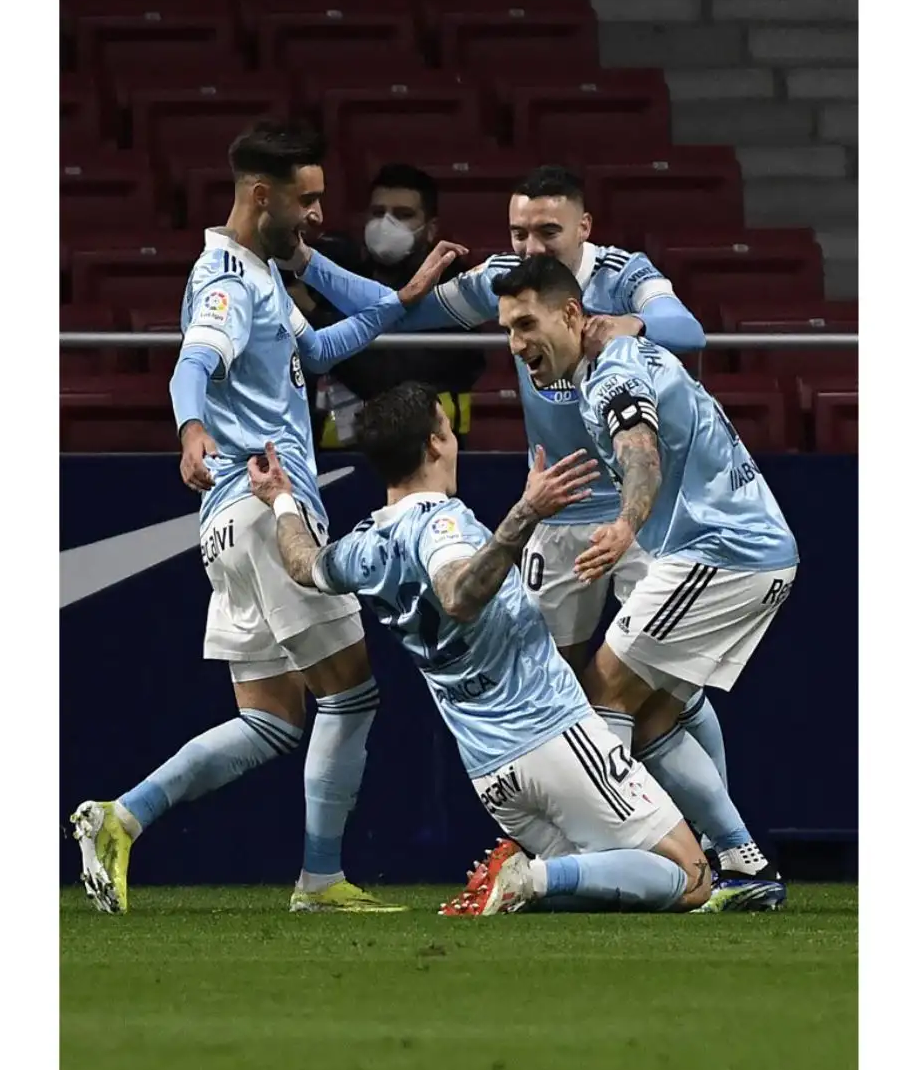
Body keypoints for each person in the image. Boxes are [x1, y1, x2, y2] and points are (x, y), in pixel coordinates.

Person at [283, 165, 740, 850]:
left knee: (669, 691)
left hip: (641, 515)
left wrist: (627, 324)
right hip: (555, 516)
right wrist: (304, 262)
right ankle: (596, 846)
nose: (530, 247)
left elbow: (688, 331)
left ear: (584, 228)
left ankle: (714, 843)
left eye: (547, 232)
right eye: (519, 231)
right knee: (547, 691)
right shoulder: (504, 277)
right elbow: (404, 306)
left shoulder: (623, 271)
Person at [67, 121, 454, 915]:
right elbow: (193, 363)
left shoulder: (263, 271)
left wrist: (388, 296)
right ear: (258, 195)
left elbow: (315, 352)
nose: (319, 213)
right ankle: (319, 881)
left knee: (273, 720)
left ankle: (121, 817)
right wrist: (192, 428)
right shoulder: (228, 282)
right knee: (352, 696)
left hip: (231, 524)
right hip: (264, 510)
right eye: (306, 200)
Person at [244, 382, 716, 916]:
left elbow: (304, 564)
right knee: (692, 876)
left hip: (490, 772)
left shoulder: (363, 546)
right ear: (433, 445)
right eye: (447, 427)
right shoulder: (442, 524)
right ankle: (527, 874)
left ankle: (527, 880)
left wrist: (280, 498)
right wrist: (525, 514)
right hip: (554, 737)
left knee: (602, 888)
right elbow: (457, 594)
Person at [491, 255, 800, 913]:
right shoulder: (613, 352)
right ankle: (742, 861)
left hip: (724, 554)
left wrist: (626, 525)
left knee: (602, 689)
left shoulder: (611, 378)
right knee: (654, 712)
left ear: (572, 314)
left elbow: (639, 450)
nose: (517, 345)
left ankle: (611, 858)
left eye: (526, 324)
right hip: (738, 550)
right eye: (507, 331)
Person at [292, 164, 484, 447]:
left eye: (403, 215)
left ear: (430, 230)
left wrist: (314, 314)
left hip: (421, 455)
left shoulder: (455, 292)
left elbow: (389, 380)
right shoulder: (345, 276)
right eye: (378, 213)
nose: (386, 224)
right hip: (337, 457)